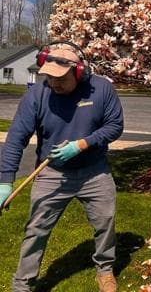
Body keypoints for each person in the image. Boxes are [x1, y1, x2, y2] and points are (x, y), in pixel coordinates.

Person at [0, 41, 124, 292]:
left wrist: (82, 144)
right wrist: (4, 181)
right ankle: (22, 284)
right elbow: (16, 138)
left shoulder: (101, 89)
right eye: (49, 77)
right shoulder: (37, 94)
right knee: (36, 229)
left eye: (61, 79)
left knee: (105, 222)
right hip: (52, 174)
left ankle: (105, 269)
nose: (54, 84)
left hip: (94, 171)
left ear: (79, 72)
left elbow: (114, 126)